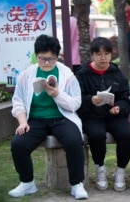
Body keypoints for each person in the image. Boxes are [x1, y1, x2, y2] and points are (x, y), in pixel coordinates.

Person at [9, 34, 88, 200]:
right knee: (18, 144)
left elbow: (75, 103)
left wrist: (58, 94)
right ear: (36, 55)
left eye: (51, 59)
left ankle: (76, 184)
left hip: (62, 118)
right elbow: (18, 102)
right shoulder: (26, 75)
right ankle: (27, 183)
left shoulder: (67, 74)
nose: (46, 63)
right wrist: (23, 122)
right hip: (35, 120)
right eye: (42, 58)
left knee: (74, 141)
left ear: (57, 56)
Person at [76, 37, 130, 192]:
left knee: (126, 135)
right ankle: (100, 168)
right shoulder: (82, 74)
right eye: (99, 54)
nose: (103, 58)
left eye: (107, 54)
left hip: (113, 114)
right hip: (91, 115)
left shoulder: (116, 73)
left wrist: (119, 108)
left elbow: (125, 97)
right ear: (92, 55)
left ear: (111, 55)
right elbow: (76, 99)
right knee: (96, 134)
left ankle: (121, 171)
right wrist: (90, 100)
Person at [70, 6, 95, 73]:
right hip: (86, 58)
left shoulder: (70, 21)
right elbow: (91, 40)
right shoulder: (91, 22)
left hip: (71, 59)